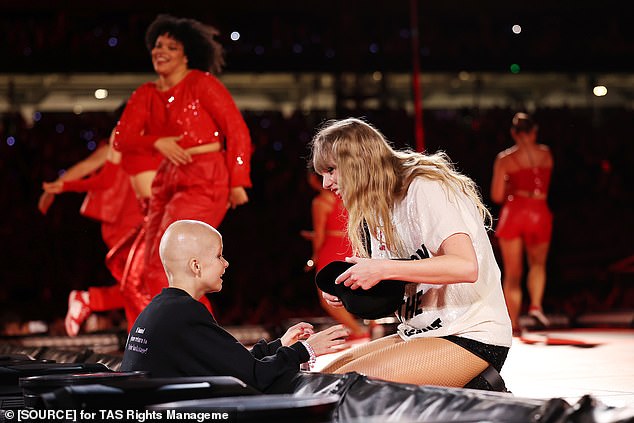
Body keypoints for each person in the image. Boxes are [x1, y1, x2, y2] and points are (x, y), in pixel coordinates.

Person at [309, 118, 512, 388]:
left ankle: (476, 392)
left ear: (357, 161)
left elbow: (465, 266)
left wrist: (382, 269)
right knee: (320, 383)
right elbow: (400, 287)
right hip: (418, 333)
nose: (325, 183)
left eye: (331, 170)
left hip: (470, 334)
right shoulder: (378, 205)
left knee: (345, 389)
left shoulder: (423, 187)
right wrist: (351, 287)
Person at [112, 14, 252, 312]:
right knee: (155, 265)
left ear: (187, 55)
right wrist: (156, 142)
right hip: (167, 176)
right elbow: (121, 139)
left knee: (180, 265)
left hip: (206, 175)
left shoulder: (201, 84)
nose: (160, 51)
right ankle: (173, 338)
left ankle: (198, 341)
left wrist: (238, 180)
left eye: (171, 47)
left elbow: (236, 130)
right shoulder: (146, 93)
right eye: (158, 45)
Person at [120, 220, 349, 394]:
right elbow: (253, 376)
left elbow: (230, 361)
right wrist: (307, 349)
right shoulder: (185, 314)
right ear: (196, 266)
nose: (226, 263)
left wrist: (279, 345)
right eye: (219, 256)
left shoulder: (163, 309)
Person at [42, 131, 145, 335]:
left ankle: (89, 301)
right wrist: (53, 189)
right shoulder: (116, 147)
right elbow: (85, 167)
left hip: (142, 227)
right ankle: (91, 301)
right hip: (122, 231)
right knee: (140, 287)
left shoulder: (153, 148)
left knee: (144, 287)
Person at [490, 112, 553, 335]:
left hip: (515, 212)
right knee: (537, 265)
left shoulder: (505, 159)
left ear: (513, 133)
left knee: (513, 274)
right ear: (534, 131)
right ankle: (536, 304)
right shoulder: (546, 154)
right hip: (539, 211)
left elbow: (497, 195)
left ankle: (514, 323)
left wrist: (509, 187)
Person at [304, 172, 369, 340]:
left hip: (331, 248)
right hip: (348, 244)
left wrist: (314, 257)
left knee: (326, 295)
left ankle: (357, 330)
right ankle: (371, 325)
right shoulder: (345, 198)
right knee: (351, 287)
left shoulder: (320, 202)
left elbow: (320, 234)